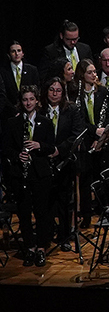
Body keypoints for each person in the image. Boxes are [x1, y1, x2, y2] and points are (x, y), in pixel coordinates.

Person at [2, 86, 57, 267]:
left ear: (37, 101)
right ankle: (30, 248)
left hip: (41, 174)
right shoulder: (13, 123)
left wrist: (38, 145)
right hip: (21, 174)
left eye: (31, 99)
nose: (28, 103)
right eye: (25, 100)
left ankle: (41, 248)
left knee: (42, 212)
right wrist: (18, 156)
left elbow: (51, 147)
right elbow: (6, 148)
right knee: (24, 213)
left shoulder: (46, 122)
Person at [42, 77, 86, 250]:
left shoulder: (71, 110)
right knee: (46, 201)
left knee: (65, 201)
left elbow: (76, 134)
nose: (54, 93)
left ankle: (64, 236)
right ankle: (45, 235)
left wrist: (59, 150)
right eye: (52, 89)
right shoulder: (40, 109)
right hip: (43, 161)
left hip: (64, 161)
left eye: (58, 90)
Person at [73, 58, 109, 225]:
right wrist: (93, 132)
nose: (94, 75)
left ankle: (104, 210)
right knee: (85, 179)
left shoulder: (102, 91)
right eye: (90, 72)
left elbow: (106, 115)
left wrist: (99, 138)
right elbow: (78, 119)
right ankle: (86, 216)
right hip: (84, 140)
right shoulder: (76, 93)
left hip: (100, 140)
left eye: (95, 71)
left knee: (101, 175)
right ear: (82, 74)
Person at [3, 41, 41, 112]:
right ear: (8, 54)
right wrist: (13, 110)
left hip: (29, 111)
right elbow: (3, 95)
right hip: (9, 113)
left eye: (19, 51)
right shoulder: (3, 72)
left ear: (23, 53)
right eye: (13, 51)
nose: (16, 54)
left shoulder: (32, 70)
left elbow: (37, 90)